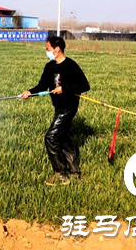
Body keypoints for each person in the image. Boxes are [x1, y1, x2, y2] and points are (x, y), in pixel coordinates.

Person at [20, 35, 90, 186]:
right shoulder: (49, 67)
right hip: (58, 107)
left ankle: (60, 173)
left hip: (69, 107)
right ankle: (75, 172)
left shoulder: (70, 65)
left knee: (51, 137)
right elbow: (42, 86)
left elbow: (84, 85)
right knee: (65, 137)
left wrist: (64, 88)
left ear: (57, 49)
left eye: (48, 49)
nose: (46, 52)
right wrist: (29, 92)